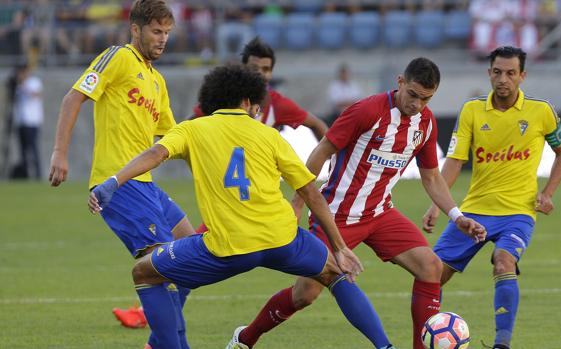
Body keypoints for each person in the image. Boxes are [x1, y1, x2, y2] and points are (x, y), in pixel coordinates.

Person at [88, 64, 398, 349]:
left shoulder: (193, 129)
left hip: (229, 248)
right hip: (283, 240)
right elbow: (311, 193)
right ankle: (386, 346)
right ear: (248, 101)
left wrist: (113, 182)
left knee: (145, 273)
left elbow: (155, 154)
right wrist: (340, 246)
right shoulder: (267, 134)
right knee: (335, 275)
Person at [230, 57, 487, 349]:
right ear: (400, 82)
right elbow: (321, 151)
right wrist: (299, 203)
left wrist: (456, 215)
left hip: (380, 214)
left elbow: (431, 176)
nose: (417, 104)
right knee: (305, 294)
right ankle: (245, 338)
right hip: (337, 214)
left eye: (426, 99)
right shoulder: (367, 110)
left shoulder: (425, 124)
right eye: (413, 94)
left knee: (431, 267)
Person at [47, 0, 195, 344]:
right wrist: (59, 152)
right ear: (136, 29)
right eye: (156, 31)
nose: (162, 39)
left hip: (147, 186)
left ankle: (160, 342)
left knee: (193, 254)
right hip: (119, 184)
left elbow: (174, 139)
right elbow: (73, 98)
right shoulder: (118, 56)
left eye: (167, 33)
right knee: (162, 268)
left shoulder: (157, 81)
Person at [422, 46, 561, 349]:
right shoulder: (472, 111)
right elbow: (455, 161)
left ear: (522, 76)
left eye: (510, 73)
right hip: (475, 211)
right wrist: (438, 206)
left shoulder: (541, 111)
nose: (503, 79)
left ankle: (502, 344)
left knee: (504, 262)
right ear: (489, 73)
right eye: (497, 72)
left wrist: (548, 193)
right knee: (432, 275)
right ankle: (421, 339)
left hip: (518, 212)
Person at [192, 36, 328, 233]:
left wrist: (332, 153)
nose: (261, 75)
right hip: (228, 198)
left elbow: (316, 124)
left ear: (272, 73)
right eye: (255, 68)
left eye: (266, 70)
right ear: (243, 68)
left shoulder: (277, 104)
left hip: (263, 199)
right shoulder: (224, 99)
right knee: (197, 252)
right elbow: (190, 122)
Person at [12, 63, 44, 180]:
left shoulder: (34, 82)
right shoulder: (17, 85)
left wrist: (23, 84)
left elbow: (36, 94)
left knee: (34, 149)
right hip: (21, 121)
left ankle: (38, 174)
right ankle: (25, 174)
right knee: (23, 150)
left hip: (32, 121)